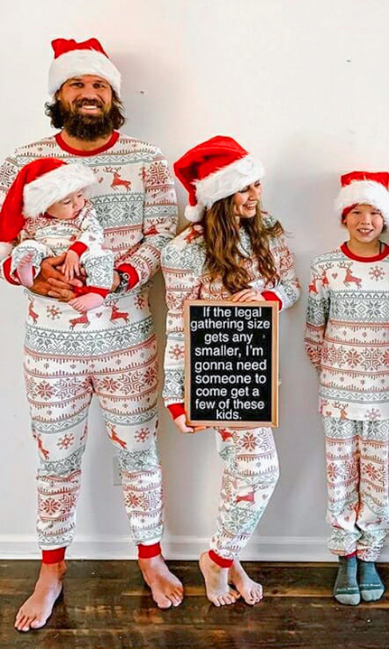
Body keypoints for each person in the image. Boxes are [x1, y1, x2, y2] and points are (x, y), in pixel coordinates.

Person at [1, 38, 181, 633]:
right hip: (50, 347)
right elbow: (3, 241)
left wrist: (121, 275)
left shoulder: (147, 159)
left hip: (128, 338)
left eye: (99, 85)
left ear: (114, 96)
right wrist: (34, 277)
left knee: (140, 452)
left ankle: (150, 558)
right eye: (76, 85)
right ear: (57, 96)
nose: (88, 94)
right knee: (56, 458)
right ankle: (51, 569)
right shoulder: (20, 160)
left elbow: (164, 238)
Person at [162, 135, 300, 607]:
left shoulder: (268, 230)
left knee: (240, 474)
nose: (255, 196)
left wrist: (269, 298)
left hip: (256, 369)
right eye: (245, 188)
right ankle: (217, 560)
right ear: (221, 194)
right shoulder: (185, 249)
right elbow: (177, 321)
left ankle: (229, 558)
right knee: (260, 472)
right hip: (214, 372)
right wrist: (176, 397)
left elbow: (291, 286)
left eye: (258, 185)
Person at [304, 171, 389, 605]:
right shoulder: (326, 266)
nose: (365, 220)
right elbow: (315, 328)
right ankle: (345, 555)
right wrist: (334, 369)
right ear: (344, 217)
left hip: (385, 393)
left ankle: (369, 553)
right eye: (357, 212)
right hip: (337, 391)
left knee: (377, 475)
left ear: (385, 218)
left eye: (374, 212)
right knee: (339, 474)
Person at [0, 158, 114, 312]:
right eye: (66, 202)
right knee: (27, 247)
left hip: (80, 256)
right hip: (47, 254)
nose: (77, 204)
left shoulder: (84, 213)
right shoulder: (36, 220)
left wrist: (75, 251)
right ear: (44, 207)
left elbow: (94, 231)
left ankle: (98, 292)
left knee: (100, 256)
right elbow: (22, 238)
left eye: (80, 195)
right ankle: (27, 273)